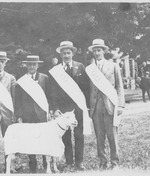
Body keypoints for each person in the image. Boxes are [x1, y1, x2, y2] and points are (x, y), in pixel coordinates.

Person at [49, 41, 90, 172]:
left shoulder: (80, 67)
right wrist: (55, 108)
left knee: (79, 135)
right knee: (66, 136)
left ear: (72, 53)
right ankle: (69, 162)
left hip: (78, 106)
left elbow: (86, 88)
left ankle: (79, 162)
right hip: (63, 108)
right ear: (60, 54)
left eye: (69, 53)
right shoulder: (56, 71)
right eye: (64, 53)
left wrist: (86, 106)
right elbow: (53, 91)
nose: (66, 55)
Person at [86, 39, 125, 170]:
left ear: (104, 51)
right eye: (94, 51)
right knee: (99, 136)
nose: (97, 53)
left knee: (112, 136)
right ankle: (103, 162)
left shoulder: (113, 66)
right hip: (95, 107)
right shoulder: (89, 69)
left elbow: (119, 86)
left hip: (110, 106)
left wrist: (120, 105)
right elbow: (88, 89)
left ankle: (115, 162)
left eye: (99, 50)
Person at [15, 55, 49, 173]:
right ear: (26, 65)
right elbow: (17, 100)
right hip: (27, 115)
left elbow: (49, 96)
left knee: (44, 139)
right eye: (29, 64)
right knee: (30, 140)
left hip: (42, 114)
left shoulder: (44, 78)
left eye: (34, 64)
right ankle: (33, 163)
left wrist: (49, 111)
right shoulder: (21, 81)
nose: (31, 66)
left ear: (38, 65)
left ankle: (46, 163)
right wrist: (19, 116)